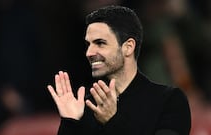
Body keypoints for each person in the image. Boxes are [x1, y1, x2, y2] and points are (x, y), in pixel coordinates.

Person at [47, 5, 191, 135]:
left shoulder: (169, 101)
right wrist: (70, 123)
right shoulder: (86, 106)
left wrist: (113, 122)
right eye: (88, 44)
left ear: (128, 47)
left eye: (100, 43)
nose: (89, 52)